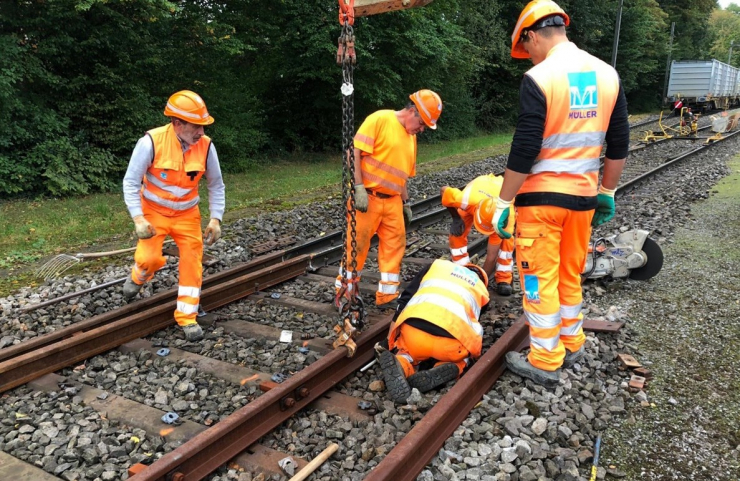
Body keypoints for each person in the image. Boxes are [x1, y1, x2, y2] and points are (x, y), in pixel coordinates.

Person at [488, 0, 629, 388]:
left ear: (533, 35)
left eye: (526, 47)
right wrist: (607, 192)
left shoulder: (540, 77)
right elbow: (618, 143)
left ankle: (546, 359)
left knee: (537, 281)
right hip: (583, 201)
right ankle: (572, 339)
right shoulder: (607, 75)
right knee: (570, 274)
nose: (528, 57)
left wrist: (504, 200)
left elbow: (526, 145)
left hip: (542, 204)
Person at [121, 90, 226, 342]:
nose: (201, 132)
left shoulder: (206, 146)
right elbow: (131, 182)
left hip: (187, 215)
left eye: (203, 126)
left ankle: (187, 317)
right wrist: (138, 218)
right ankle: (139, 275)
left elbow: (216, 184)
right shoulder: (151, 142)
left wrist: (215, 218)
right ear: (177, 123)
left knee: (192, 260)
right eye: (196, 126)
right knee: (149, 259)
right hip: (153, 213)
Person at [335, 90, 443, 307]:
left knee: (395, 246)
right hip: (368, 199)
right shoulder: (380, 119)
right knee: (357, 246)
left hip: (393, 201)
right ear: (412, 112)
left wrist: (406, 202)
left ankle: (387, 296)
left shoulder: (411, 138)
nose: (421, 130)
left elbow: (401, 175)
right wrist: (358, 188)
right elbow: (353, 153)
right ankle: (344, 292)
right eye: (422, 124)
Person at [375, 259, 490, 403]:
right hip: (450, 345)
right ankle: (452, 366)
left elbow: (403, 302)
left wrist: (389, 342)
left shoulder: (436, 266)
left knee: (406, 351)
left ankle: (403, 364)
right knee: (464, 348)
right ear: (482, 281)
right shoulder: (482, 291)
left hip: (415, 335)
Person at [440, 174, 516, 295]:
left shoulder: (504, 220)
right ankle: (461, 269)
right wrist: (456, 218)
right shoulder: (465, 200)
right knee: (457, 233)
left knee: (507, 243)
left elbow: (491, 257)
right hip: (479, 188)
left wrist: (479, 283)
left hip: (500, 196)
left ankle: (504, 277)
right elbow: (444, 190)